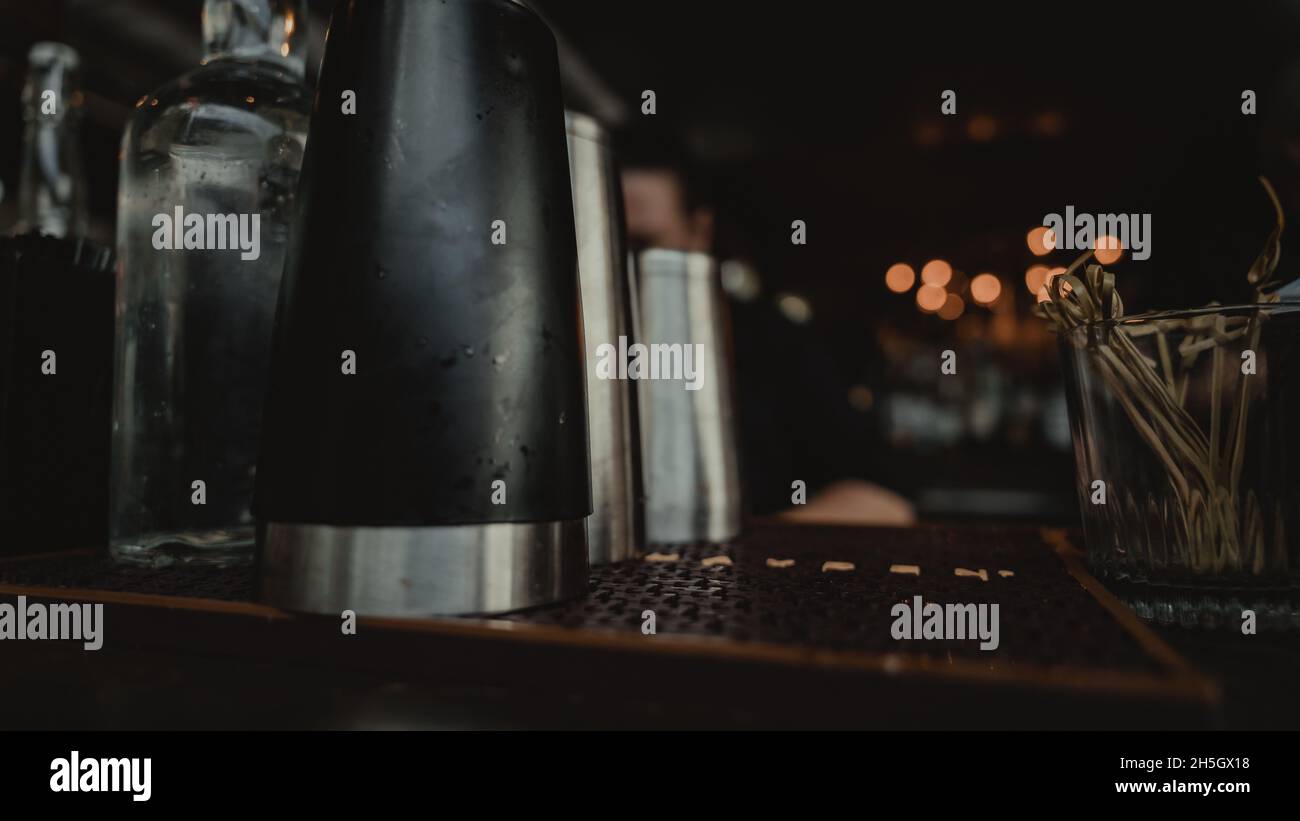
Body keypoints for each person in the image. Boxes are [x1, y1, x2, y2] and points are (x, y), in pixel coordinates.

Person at [620, 140, 913, 526]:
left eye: (642, 244)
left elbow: (884, 501)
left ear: (699, 230)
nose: (614, 265)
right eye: (603, 242)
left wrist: (734, 553)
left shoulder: (772, 340)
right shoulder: (561, 349)